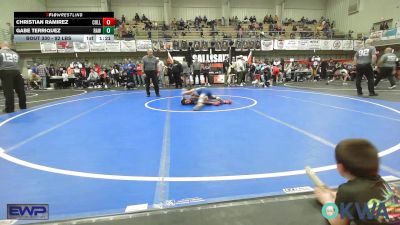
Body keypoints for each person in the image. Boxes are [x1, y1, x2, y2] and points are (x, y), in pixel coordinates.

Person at [314, 139, 400, 225]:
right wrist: (335, 195)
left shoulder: (347, 190)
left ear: (340, 167)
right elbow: (362, 197)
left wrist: (326, 201)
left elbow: (338, 223)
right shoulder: (381, 182)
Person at [0, 42, 26, 113]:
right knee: (21, 91)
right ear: (8, 46)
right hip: (17, 72)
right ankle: (23, 107)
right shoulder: (15, 53)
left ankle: (10, 109)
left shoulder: (0, 52)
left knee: (8, 92)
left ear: (1, 45)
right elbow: (18, 64)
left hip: (6, 72)